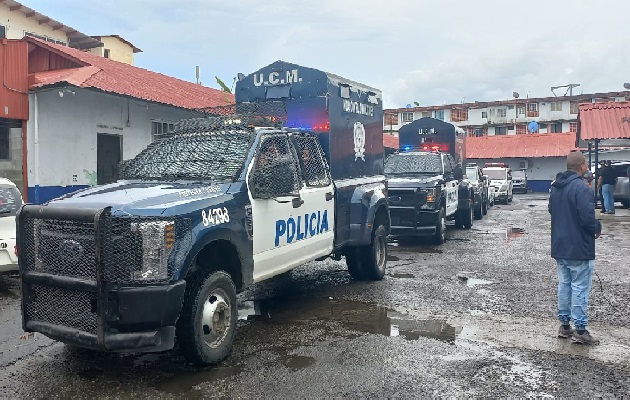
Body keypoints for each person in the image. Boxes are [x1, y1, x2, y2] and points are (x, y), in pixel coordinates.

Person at [549, 151, 602, 345]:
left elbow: (551, 210)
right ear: (581, 166)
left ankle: (564, 327)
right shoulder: (582, 188)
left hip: (560, 245)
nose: (587, 166)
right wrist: (597, 228)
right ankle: (580, 330)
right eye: (586, 163)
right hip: (578, 247)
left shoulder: (555, 187)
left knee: (564, 285)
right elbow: (587, 219)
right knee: (579, 287)